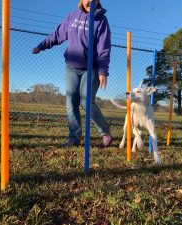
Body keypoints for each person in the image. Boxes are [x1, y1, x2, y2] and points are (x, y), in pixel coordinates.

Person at [32, 0, 112, 147]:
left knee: (86, 101)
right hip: (71, 68)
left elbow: (104, 47)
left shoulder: (101, 20)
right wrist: (41, 46)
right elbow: (57, 35)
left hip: (91, 68)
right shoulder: (72, 16)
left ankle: (104, 132)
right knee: (71, 103)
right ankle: (74, 138)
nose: (90, 1)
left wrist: (103, 71)